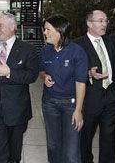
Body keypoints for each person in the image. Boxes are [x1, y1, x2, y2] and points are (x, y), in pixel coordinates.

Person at [0, 12, 39, 163]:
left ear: (12, 26)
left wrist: (10, 73)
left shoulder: (28, 49)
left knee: (14, 153)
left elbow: (32, 76)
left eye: (0, 25)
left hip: (17, 109)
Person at [74, 10, 115, 163]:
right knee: (85, 138)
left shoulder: (112, 42)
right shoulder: (77, 45)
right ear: (89, 23)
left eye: (106, 21)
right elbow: (71, 72)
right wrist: (88, 74)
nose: (104, 24)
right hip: (89, 99)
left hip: (112, 98)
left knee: (109, 139)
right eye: (100, 21)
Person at [39, 15, 88, 163]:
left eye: (48, 29)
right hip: (49, 104)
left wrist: (78, 110)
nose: (45, 33)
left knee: (71, 152)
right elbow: (41, 70)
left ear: (60, 31)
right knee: (53, 147)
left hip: (70, 105)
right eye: (44, 29)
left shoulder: (77, 52)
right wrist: (44, 76)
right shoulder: (45, 50)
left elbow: (81, 83)